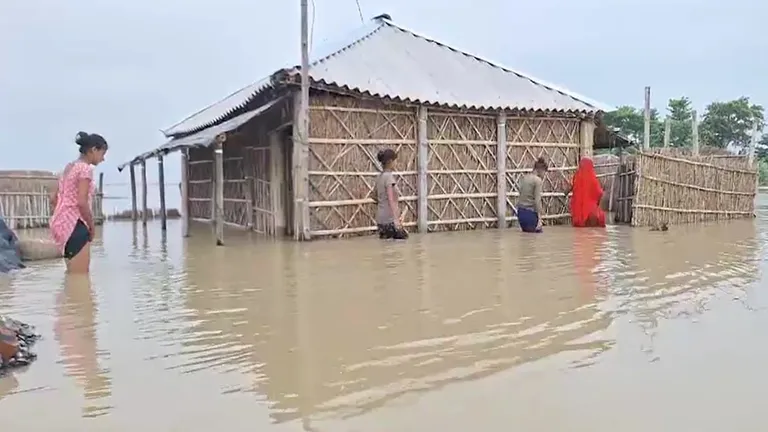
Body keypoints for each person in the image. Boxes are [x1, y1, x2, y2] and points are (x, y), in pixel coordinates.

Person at [50, 132, 108, 273]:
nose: (103, 159)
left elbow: (53, 198)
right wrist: (91, 225)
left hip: (61, 223)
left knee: (71, 276)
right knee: (80, 278)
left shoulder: (69, 167)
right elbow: (81, 202)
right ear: (93, 150)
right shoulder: (85, 169)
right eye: (102, 153)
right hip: (76, 224)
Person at [373, 148, 408, 240]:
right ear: (390, 161)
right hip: (390, 219)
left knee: (386, 247)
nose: (396, 163)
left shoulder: (379, 177)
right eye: (395, 161)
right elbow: (390, 199)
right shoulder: (389, 177)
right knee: (399, 246)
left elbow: (373, 196)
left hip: (380, 219)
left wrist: (382, 204)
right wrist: (396, 219)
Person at [566, 157, 606, 228]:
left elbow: (571, 188)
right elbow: (599, 193)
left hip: (578, 212)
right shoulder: (592, 178)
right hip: (590, 213)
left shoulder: (576, 177)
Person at [517, 157, 548, 233]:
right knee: (538, 237)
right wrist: (540, 219)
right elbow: (537, 201)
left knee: (526, 238)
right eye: (545, 172)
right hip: (529, 214)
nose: (544, 175)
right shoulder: (537, 181)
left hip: (520, 214)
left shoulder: (525, 178)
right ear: (540, 170)